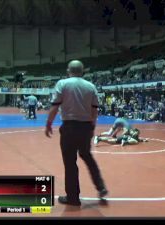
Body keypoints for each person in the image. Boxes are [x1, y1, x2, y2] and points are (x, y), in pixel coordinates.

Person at [45, 60, 107, 206]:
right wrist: (92, 127)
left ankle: (73, 198)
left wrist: (48, 124)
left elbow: (55, 107)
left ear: (68, 71)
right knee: (87, 156)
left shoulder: (62, 84)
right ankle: (101, 186)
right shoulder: (90, 86)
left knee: (70, 163)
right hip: (85, 128)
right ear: (83, 71)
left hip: (69, 127)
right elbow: (94, 110)